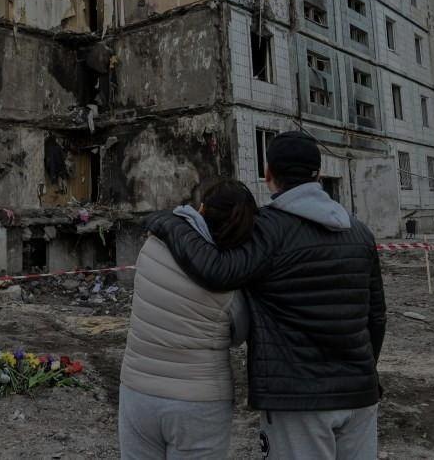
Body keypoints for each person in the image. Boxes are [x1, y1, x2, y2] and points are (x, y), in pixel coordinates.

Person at [146, 132, 387, 460]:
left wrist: (169, 223)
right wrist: (363, 372)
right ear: (318, 174)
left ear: (268, 172)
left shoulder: (267, 229)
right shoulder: (359, 232)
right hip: (359, 394)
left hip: (297, 400)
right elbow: (376, 317)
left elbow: (217, 271)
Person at [118, 179, 257, 459]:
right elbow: (239, 334)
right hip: (200, 401)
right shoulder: (230, 278)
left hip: (137, 391)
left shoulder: (154, 244)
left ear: (202, 208)